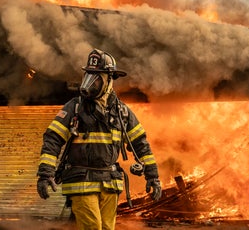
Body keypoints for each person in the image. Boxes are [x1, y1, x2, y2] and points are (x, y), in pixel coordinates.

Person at [37, 48, 162, 230]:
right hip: (81, 180)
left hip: (109, 181)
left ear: (109, 79)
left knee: (106, 228)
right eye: (88, 75)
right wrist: (45, 173)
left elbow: (140, 144)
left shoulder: (122, 112)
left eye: (96, 77)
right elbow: (53, 139)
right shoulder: (75, 107)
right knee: (93, 227)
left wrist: (153, 176)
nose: (90, 83)